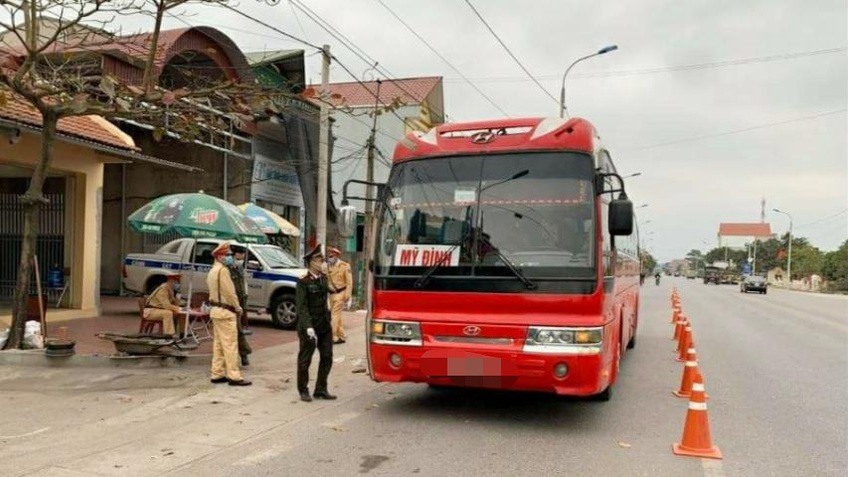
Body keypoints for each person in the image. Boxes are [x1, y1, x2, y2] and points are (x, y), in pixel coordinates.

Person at [295, 245, 336, 402]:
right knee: (305, 359)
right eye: (320, 260)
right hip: (310, 326)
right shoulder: (303, 282)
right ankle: (303, 389)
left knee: (327, 356)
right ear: (311, 262)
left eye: (323, 260)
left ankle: (321, 389)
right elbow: (301, 307)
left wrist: (327, 275)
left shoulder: (323, 278)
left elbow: (333, 290)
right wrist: (308, 327)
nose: (322, 263)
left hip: (324, 324)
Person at [207, 241, 251, 386]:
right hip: (226, 311)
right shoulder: (223, 271)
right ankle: (234, 375)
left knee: (218, 344)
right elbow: (230, 293)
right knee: (231, 345)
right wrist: (238, 307)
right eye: (227, 255)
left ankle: (217, 373)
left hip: (215, 310)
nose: (230, 257)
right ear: (220, 257)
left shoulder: (212, 271)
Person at [228, 246, 253, 367]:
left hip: (240, 303)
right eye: (241, 254)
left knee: (237, 330)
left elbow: (243, 287)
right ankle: (244, 354)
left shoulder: (239, 268)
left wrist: (244, 303)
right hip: (231, 305)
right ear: (235, 255)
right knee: (237, 331)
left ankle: (242, 354)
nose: (242, 258)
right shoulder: (227, 269)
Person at [326, 246, 353, 344]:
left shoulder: (344, 266)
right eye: (329, 256)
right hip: (331, 295)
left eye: (332, 256)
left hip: (341, 294)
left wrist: (348, 295)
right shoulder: (329, 266)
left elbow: (349, 282)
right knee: (338, 317)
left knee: (334, 316)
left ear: (336, 256)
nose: (330, 257)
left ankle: (332, 336)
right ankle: (341, 336)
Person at [143, 272, 182, 337]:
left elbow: (175, 304)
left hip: (159, 310)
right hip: (151, 311)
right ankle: (169, 335)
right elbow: (166, 305)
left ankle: (181, 333)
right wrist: (179, 308)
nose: (177, 284)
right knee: (168, 313)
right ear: (171, 281)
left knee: (180, 314)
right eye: (176, 282)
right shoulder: (163, 289)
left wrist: (177, 298)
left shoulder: (170, 290)